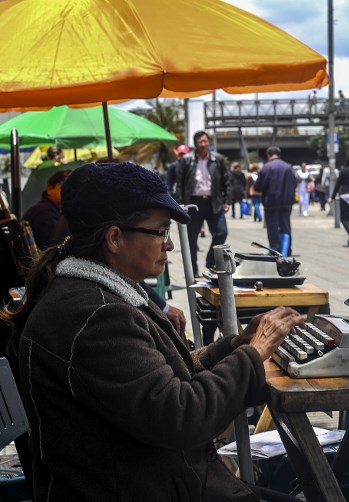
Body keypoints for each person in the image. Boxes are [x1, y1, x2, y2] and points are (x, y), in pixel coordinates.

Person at [0, 161, 305, 501]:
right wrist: (254, 352)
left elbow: (158, 377)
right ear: (115, 238)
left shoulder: (93, 296)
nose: (169, 245)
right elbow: (183, 415)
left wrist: (233, 346)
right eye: (161, 231)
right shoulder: (95, 316)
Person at [174, 130, 231, 277]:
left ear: (209, 142)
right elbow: (179, 184)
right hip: (193, 203)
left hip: (214, 202)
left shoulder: (218, 159)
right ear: (195, 144)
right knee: (191, 240)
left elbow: (226, 181)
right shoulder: (186, 160)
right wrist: (181, 204)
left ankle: (210, 261)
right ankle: (193, 272)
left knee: (221, 233)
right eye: (200, 142)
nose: (204, 144)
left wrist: (227, 201)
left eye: (206, 141)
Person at [253, 146, 297, 256]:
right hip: (286, 202)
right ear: (279, 154)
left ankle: (275, 250)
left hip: (271, 203)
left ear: (268, 155)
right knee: (285, 226)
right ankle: (286, 250)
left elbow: (257, 187)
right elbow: (294, 183)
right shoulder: (287, 167)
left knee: (272, 227)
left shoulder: (266, 168)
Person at [21, 170, 70, 250]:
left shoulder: (49, 209)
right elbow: (53, 248)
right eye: (64, 185)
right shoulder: (45, 212)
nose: (69, 190)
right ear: (49, 188)